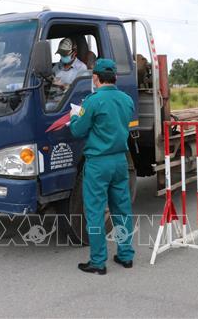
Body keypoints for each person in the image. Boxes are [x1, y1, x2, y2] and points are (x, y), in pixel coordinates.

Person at [69, 58, 135, 275]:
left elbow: (78, 130)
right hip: (120, 161)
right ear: (115, 77)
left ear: (95, 78)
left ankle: (98, 261)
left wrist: (74, 117)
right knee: (122, 209)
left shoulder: (93, 101)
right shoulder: (126, 100)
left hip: (98, 163)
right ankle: (126, 255)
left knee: (95, 211)